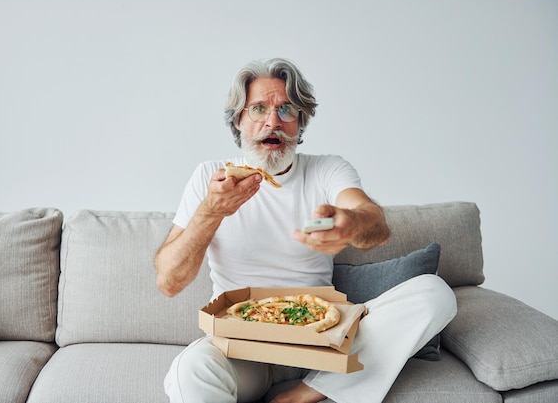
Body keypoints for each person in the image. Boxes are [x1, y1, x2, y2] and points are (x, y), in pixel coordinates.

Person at [155, 58, 457, 403]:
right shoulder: (211, 177)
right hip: (243, 348)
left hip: (322, 340)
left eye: (287, 109)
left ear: (300, 123)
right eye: (258, 109)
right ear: (238, 120)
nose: (273, 122)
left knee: (435, 292)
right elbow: (169, 281)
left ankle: (302, 395)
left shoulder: (326, 170)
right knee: (187, 372)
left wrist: (351, 223)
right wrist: (211, 211)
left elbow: (373, 222)